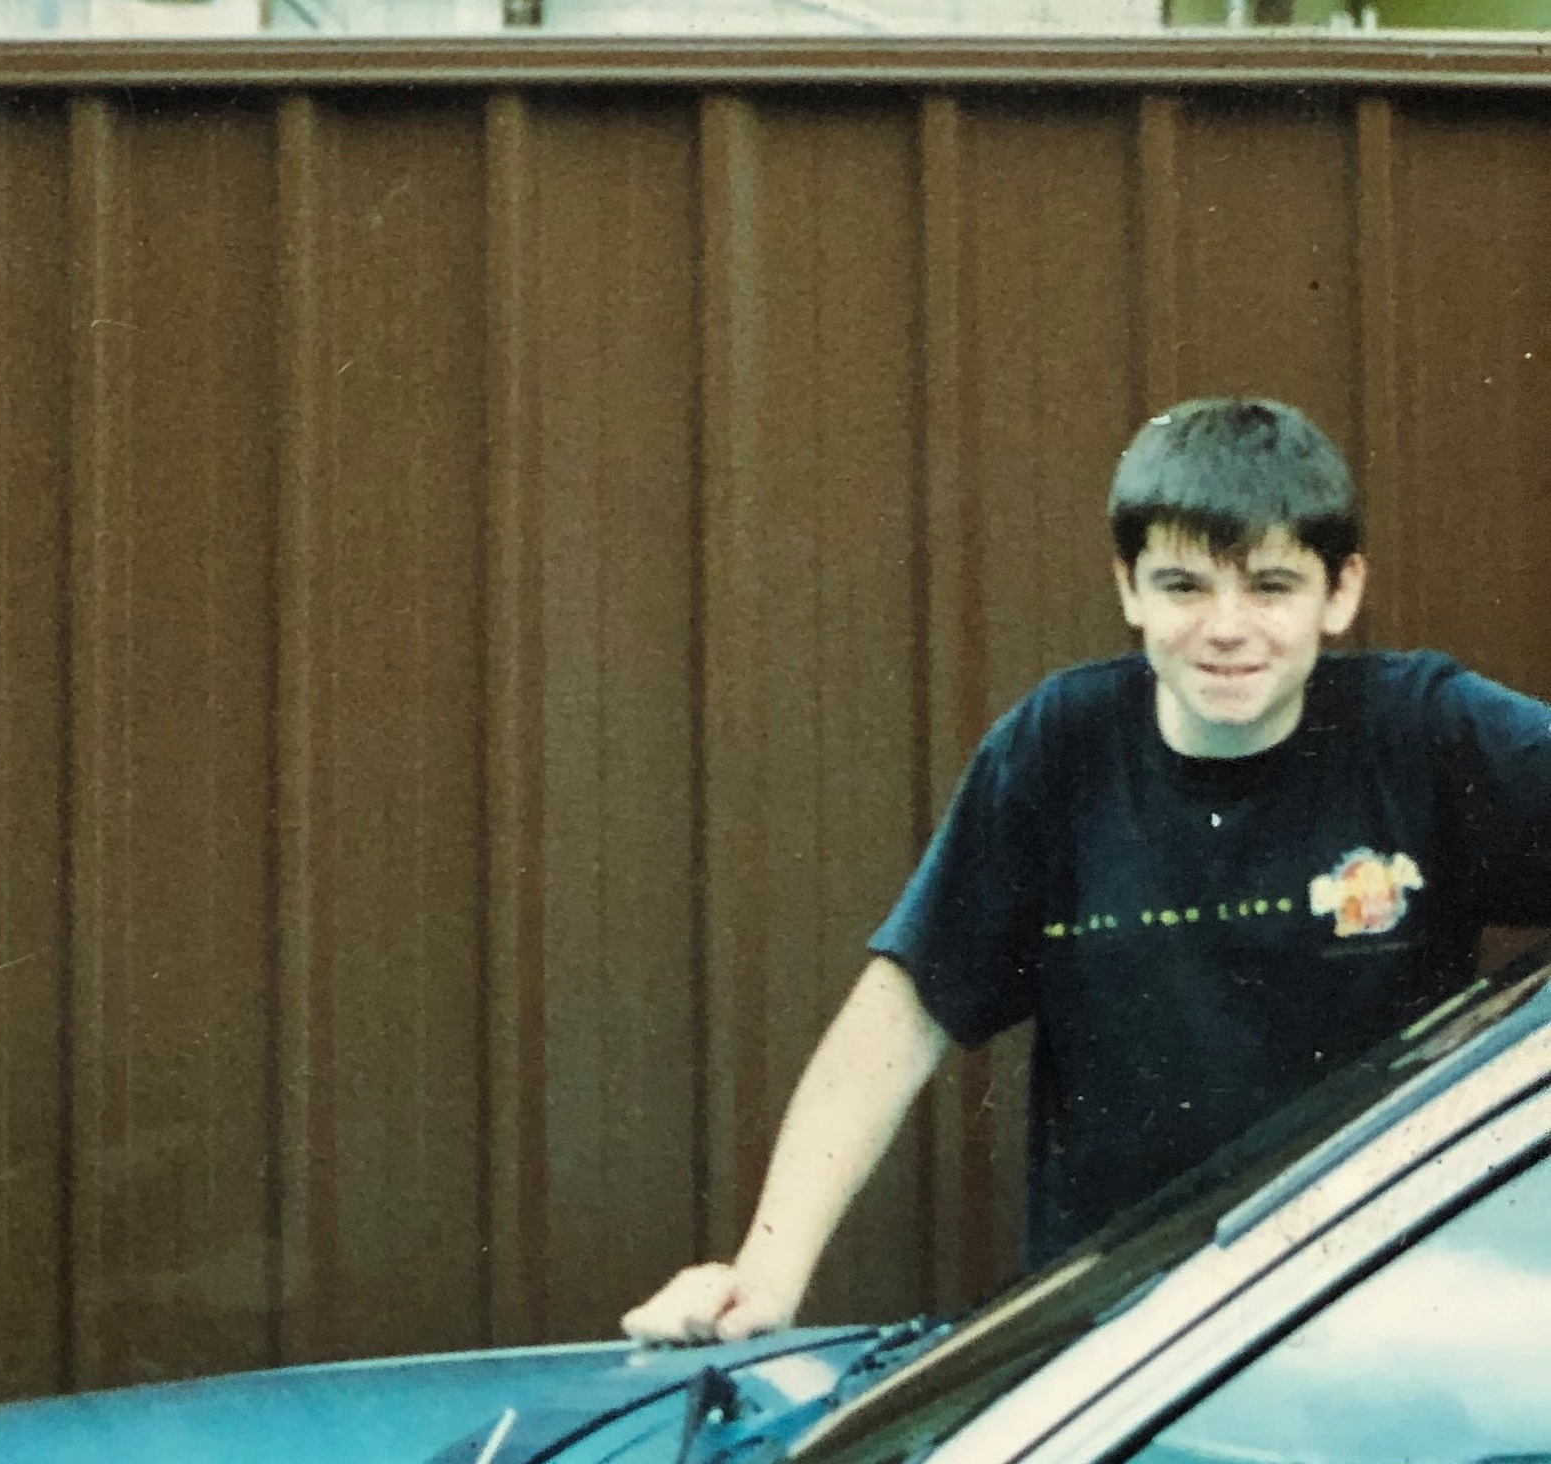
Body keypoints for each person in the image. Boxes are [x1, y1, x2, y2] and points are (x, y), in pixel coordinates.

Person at [625, 395, 1551, 1344]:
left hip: (1387, 1324)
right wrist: (768, 1273)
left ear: (1340, 592)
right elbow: (898, 1022)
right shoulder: (1058, 751)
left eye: (1271, 585)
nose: (1228, 627)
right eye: (1185, 586)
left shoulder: (1428, 735)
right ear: (1129, 590)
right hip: (1115, 1363)